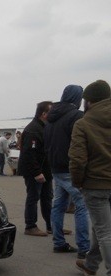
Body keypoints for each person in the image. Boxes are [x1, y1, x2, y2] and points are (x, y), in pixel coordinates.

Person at [69, 79, 111, 276]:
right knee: (101, 227)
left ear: (90, 101)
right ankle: (91, 264)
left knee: (104, 231)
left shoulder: (84, 123)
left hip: (96, 184)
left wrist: (78, 182)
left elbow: (77, 159)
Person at [44, 84, 89, 257]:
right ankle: (84, 247)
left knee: (58, 205)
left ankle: (58, 242)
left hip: (55, 166)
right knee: (81, 206)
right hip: (70, 167)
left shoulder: (51, 117)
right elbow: (80, 143)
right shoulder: (77, 116)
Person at [18, 101, 53, 236]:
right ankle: (30, 226)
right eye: (51, 112)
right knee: (33, 197)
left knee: (47, 197)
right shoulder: (33, 129)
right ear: (44, 114)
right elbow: (29, 153)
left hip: (45, 169)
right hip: (34, 171)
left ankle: (51, 225)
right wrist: (37, 172)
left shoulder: (45, 127)